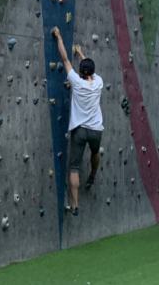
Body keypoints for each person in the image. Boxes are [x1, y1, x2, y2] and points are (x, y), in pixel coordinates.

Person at [52, 27, 103, 217]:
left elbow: (65, 59)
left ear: (80, 72)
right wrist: (81, 53)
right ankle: (93, 174)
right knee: (95, 152)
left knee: (74, 167)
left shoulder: (76, 81)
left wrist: (58, 37)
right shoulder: (98, 82)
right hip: (96, 130)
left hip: (80, 130)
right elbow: (88, 68)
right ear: (93, 72)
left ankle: (75, 205)